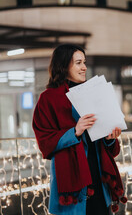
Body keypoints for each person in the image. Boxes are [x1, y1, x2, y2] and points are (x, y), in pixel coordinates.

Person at [32, 44, 126, 215]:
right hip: (72, 183)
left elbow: (105, 144)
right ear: (64, 65)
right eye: (78, 63)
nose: (84, 67)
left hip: (98, 176)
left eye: (84, 62)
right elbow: (44, 141)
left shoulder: (93, 91)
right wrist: (75, 131)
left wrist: (110, 137)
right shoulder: (48, 98)